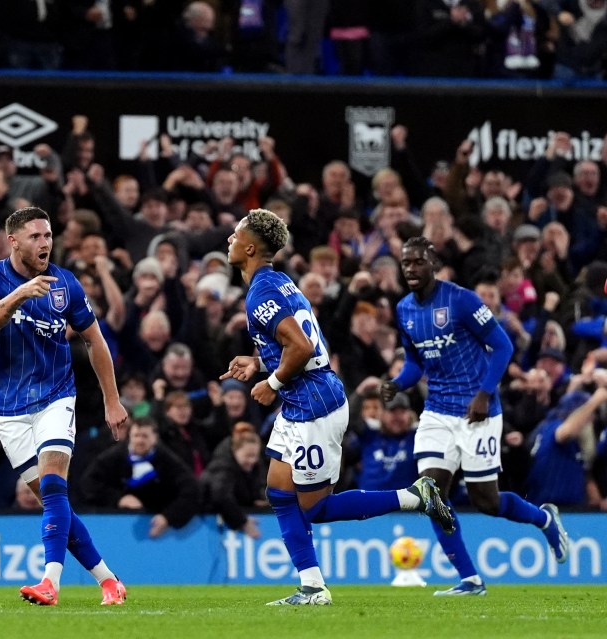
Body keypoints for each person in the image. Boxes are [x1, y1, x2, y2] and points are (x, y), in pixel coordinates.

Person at [221, 209, 452, 607]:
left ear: (251, 246)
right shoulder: (279, 282)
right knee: (278, 491)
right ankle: (312, 586)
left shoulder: (262, 291)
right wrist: (259, 361)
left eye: (236, 233)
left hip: (314, 404)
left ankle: (416, 496)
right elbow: (298, 341)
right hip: (303, 400)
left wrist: (271, 382)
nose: (229, 238)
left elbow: (303, 347)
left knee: (315, 508)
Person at [381, 236, 570, 597]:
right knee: (431, 495)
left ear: (433, 262)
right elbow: (414, 362)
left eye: (418, 261)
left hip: (476, 412)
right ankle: (470, 579)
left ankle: (544, 519)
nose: (410, 269)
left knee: (487, 501)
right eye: (405, 263)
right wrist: (398, 384)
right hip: (436, 411)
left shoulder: (461, 299)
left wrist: (485, 393)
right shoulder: (404, 308)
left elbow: (503, 346)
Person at [0, 206, 128, 606]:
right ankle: (109, 580)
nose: (45, 243)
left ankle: (49, 583)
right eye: (36, 237)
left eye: (48, 235)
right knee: (54, 503)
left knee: (56, 482)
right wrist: (21, 293)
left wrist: (112, 400)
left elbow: (95, 340)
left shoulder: (66, 284)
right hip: (8, 409)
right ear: (14, 241)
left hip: (56, 396)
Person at [81, 416, 201, 538]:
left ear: (155, 438)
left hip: (157, 527)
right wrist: (119, 499)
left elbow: (191, 489)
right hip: (115, 525)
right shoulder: (114, 456)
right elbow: (89, 483)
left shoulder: (166, 459)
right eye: (136, 436)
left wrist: (168, 517)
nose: (139, 441)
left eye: (145, 436)